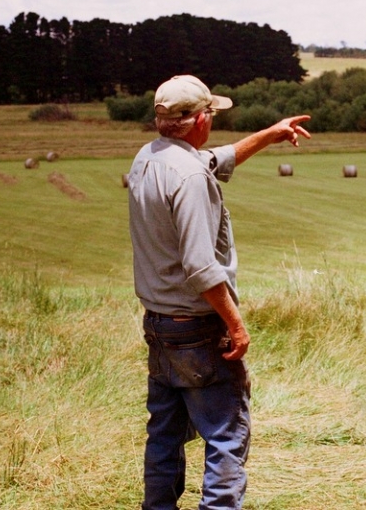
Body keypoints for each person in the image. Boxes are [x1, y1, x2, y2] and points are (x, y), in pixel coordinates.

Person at [127, 74, 310, 510]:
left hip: (159, 324)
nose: (213, 119)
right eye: (210, 112)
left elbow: (216, 159)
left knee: (164, 436)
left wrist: (270, 134)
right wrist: (235, 323)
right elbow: (201, 266)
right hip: (197, 327)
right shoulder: (189, 176)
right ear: (198, 120)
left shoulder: (148, 158)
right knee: (226, 437)